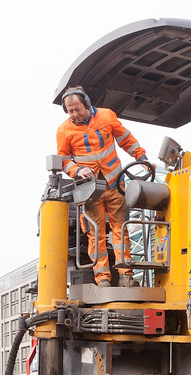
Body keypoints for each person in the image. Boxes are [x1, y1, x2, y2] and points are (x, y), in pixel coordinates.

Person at [56, 85, 148, 288]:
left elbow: (125, 139)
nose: (74, 114)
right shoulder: (64, 130)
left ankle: (126, 275)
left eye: (77, 109)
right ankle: (103, 278)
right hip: (89, 190)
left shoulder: (107, 117)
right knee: (94, 233)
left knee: (120, 229)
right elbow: (63, 160)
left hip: (114, 184)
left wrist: (140, 156)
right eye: (70, 111)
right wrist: (78, 171)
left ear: (86, 104)